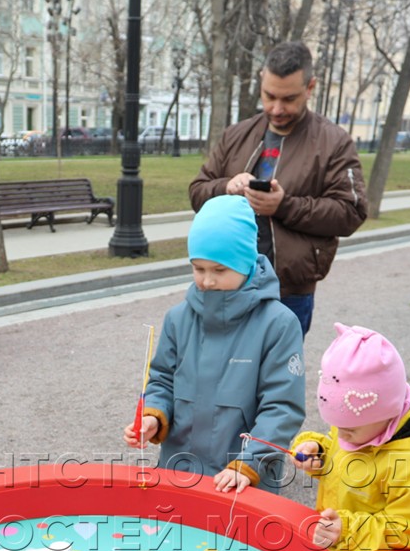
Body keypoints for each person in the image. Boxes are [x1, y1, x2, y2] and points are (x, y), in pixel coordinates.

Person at [123, 196, 307, 491]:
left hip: (243, 480)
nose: (207, 281)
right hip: (179, 471)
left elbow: (282, 406)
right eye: (199, 268)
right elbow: (161, 381)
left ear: (246, 263)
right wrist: (153, 418)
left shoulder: (279, 324)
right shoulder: (177, 318)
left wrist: (251, 463)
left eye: (219, 270)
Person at [189, 42, 368, 336]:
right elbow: (197, 191)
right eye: (269, 96)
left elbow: (351, 211)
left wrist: (284, 206)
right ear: (261, 79)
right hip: (223, 285)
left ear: (310, 87)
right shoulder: (236, 135)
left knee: (279, 378)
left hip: (290, 292)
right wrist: (226, 187)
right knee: (220, 374)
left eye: (289, 98)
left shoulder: (334, 142)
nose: (276, 108)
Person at [290, 324, 410, 551]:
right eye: (336, 426)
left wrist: (348, 530)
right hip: (338, 545)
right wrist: (319, 453)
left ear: (387, 413)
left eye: (349, 430)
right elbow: (342, 455)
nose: (341, 434)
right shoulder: (360, 427)